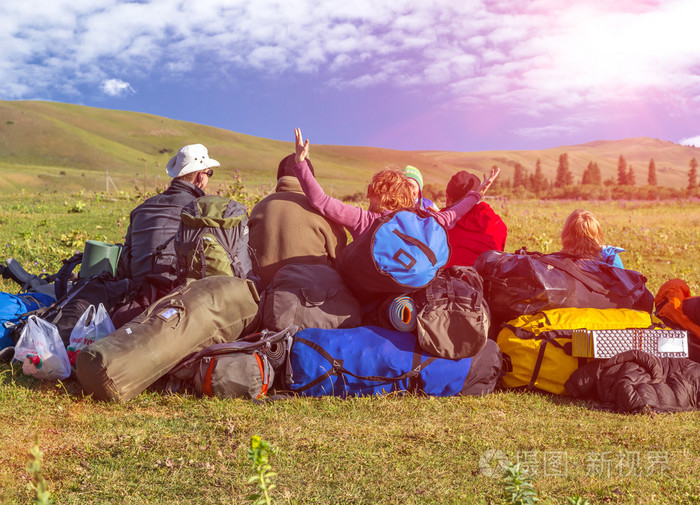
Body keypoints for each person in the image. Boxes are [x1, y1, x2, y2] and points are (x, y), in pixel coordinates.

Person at [291, 128, 500, 239]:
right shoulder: (422, 221)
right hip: (410, 292)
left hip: (370, 295)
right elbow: (453, 214)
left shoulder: (364, 220)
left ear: (376, 193)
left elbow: (321, 201)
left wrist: (301, 165)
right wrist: (477, 194)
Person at [117, 143, 218, 288]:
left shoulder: (141, 209)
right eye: (210, 173)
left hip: (135, 290)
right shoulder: (201, 210)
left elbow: (127, 256)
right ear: (201, 176)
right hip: (176, 294)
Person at [248, 154, 349, 289]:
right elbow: (340, 256)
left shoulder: (259, 207)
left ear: (279, 178)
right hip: (312, 297)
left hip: (263, 295)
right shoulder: (321, 210)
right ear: (310, 179)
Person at [442, 170, 508, 267]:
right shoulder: (494, 221)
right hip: (487, 280)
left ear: (448, 199)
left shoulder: (439, 224)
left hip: (449, 279)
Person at [560, 209, 624, 267]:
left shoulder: (557, 261)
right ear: (597, 233)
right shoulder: (609, 258)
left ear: (566, 234)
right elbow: (621, 278)